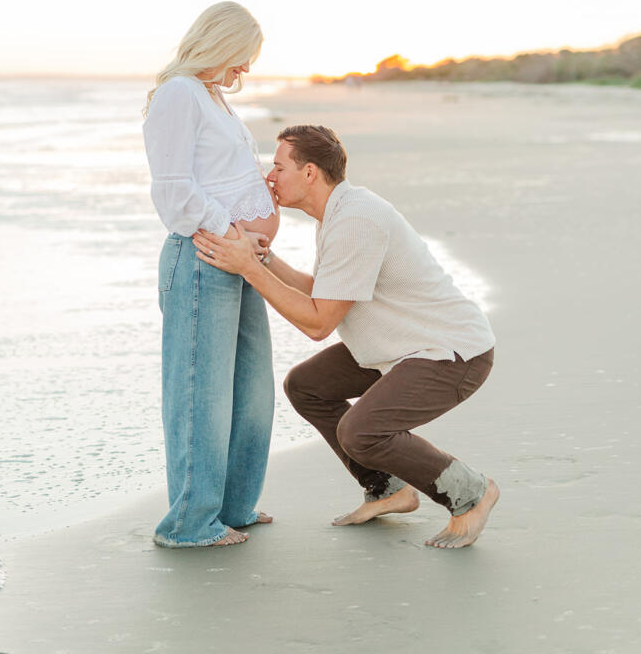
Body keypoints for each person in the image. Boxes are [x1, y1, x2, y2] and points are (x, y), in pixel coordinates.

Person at [193, 124, 499, 550]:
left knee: (362, 432)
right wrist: (265, 256)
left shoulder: (356, 219)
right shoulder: (339, 212)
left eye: (279, 167)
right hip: (401, 345)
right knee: (308, 386)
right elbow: (324, 289)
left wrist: (249, 267)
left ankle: (471, 493)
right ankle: (388, 489)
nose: (270, 178)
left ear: (310, 173)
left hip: (451, 353)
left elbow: (318, 323)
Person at [142, 1, 279, 548]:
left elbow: (222, 175)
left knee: (252, 389)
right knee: (200, 392)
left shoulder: (212, 97)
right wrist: (234, 230)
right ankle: (189, 523)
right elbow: (173, 191)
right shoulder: (178, 93)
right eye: (242, 56)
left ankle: (235, 506)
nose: (245, 69)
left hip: (238, 259)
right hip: (203, 257)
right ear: (219, 43)